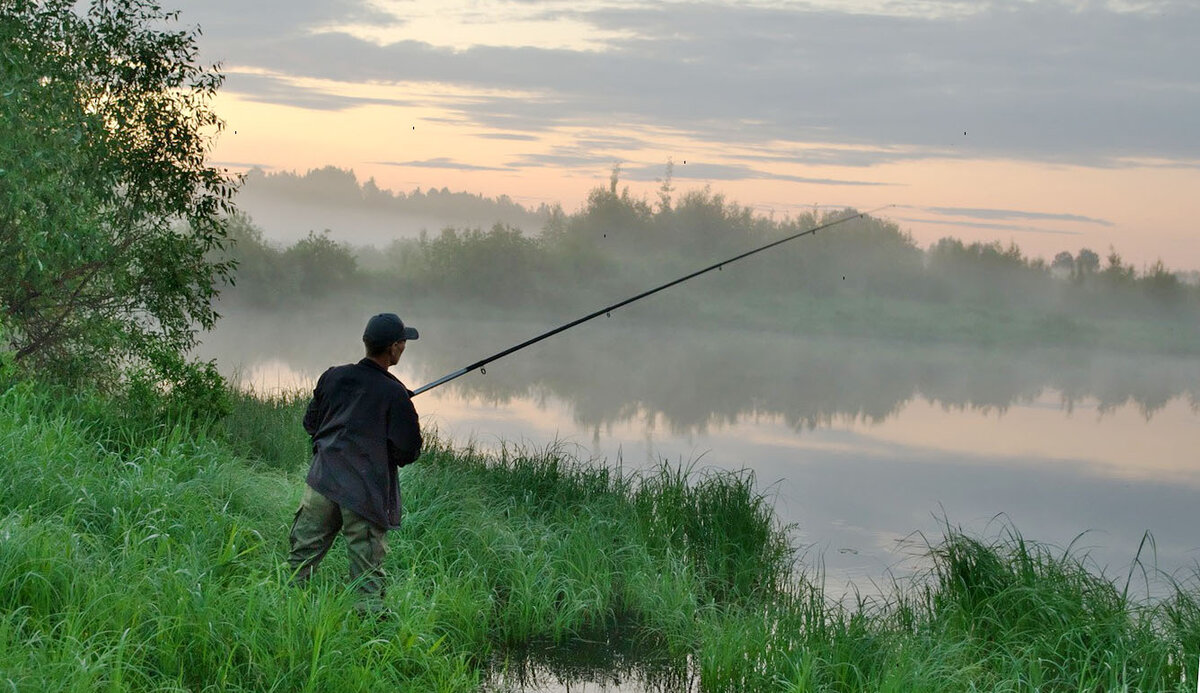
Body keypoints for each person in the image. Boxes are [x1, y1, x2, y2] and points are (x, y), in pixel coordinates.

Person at [287, 312, 423, 611]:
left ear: (366, 343)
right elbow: (408, 452)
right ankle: (369, 639)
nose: (403, 347)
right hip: (362, 495)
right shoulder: (395, 394)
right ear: (394, 348)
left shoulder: (333, 375)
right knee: (367, 578)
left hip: (321, 483)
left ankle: (289, 615)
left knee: (300, 562)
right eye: (403, 342)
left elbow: (312, 423)